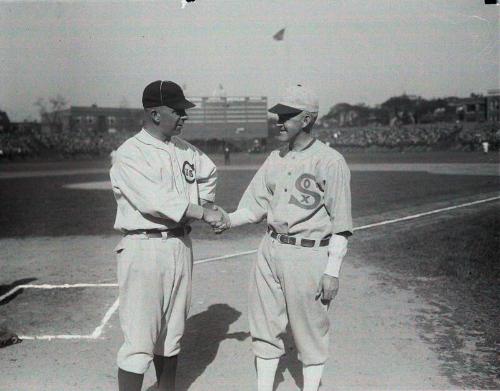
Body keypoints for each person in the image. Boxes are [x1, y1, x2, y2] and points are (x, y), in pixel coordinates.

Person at [213, 84, 353, 391]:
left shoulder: (330, 161)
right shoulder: (275, 158)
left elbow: (341, 225)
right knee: (263, 326)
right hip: (270, 249)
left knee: (310, 330)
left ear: (306, 120)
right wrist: (227, 220)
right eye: (279, 114)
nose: (279, 121)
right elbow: (253, 207)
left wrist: (332, 272)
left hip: (309, 254)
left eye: (286, 116)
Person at [110, 80, 224, 391]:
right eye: (178, 111)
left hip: (179, 245)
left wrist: (209, 203)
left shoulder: (186, 150)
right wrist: (203, 213)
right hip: (144, 247)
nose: (184, 117)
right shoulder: (130, 153)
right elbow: (154, 201)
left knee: (172, 333)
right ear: (155, 114)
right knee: (140, 338)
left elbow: (209, 171)